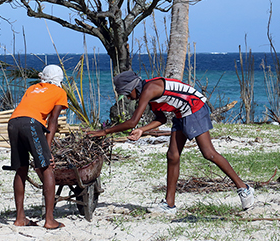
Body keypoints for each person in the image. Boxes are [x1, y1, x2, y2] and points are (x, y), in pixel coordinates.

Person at [89, 70, 254, 213]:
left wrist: (104, 132)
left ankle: (244, 189)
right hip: (181, 112)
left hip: (194, 108)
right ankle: (169, 204)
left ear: (132, 87)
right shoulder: (148, 92)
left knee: (208, 153)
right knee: (173, 155)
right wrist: (142, 130)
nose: (128, 98)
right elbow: (160, 119)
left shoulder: (149, 89)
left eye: (126, 93)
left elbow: (132, 121)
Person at [7, 64, 68, 229]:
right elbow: (53, 121)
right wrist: (47, 151)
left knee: (21, 169)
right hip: (31, 124)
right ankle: (49, 220)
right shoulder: (60, 92)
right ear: (59, 80)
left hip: (13, 123)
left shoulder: (33, 88)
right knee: (47, 168)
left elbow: (26, 108)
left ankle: (20, 218)